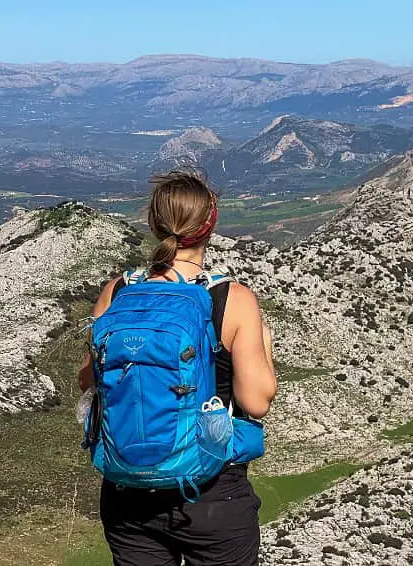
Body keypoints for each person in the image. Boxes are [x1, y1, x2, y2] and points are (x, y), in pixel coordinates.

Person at [78, 169, 277, 566]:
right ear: (211, 223)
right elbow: (256, 402)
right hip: (211, 490)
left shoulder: (117, 292)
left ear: (154, 224)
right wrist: (264, 346)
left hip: (127, 493)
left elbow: (89, 381)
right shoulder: (229, 299)